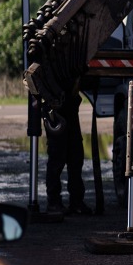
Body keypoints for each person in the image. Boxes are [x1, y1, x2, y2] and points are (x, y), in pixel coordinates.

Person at [44, 83, 92, 215]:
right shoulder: (49, 64)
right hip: (55, 106)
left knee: (75, 156)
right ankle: (54, 202)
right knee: (57, 158)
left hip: (69, 105)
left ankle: (75, 202)